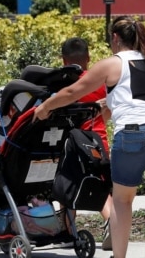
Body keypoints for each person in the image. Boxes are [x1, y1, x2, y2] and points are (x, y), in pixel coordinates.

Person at [35, 17, 145, 258]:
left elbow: (72, 91)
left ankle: (118, 256)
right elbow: (134, 98)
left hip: (133, 135)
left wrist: (45, 107)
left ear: (115, 38)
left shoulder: (112, 64)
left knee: (122, 201)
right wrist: (108, 105)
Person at [60, 37, 114, 250]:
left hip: (73, 144)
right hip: (99, 143)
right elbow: (107, 113)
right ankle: (112, 222)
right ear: (89, 58)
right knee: (100, 188)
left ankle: (69, 232)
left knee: (66, 186)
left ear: (64, 60)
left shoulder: (66, 84)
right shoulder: (99, 82)